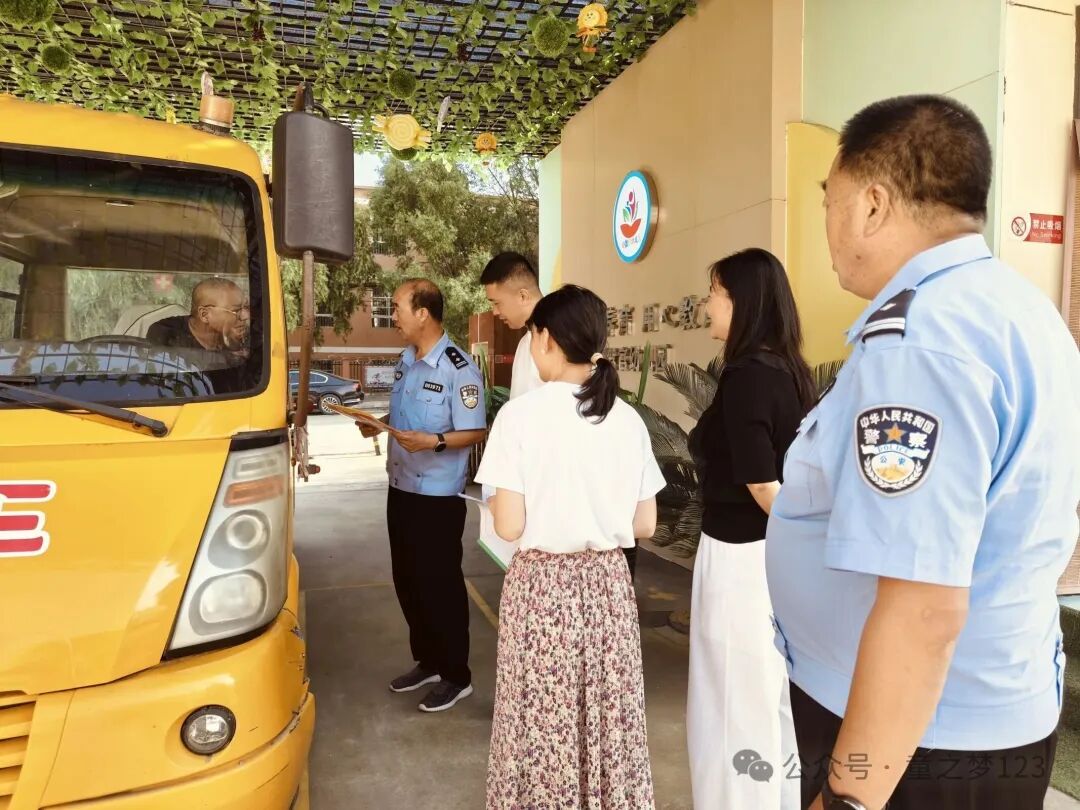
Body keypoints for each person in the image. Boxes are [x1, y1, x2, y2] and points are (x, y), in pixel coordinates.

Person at [766, 94, 1080, 810]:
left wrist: (848, 800)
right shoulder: (1019, 311)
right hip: (981, 717)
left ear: (873, 205)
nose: (827, 224)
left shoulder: (922, 339)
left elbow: (923, 611)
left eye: (829, 201)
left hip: (918, 744)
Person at [476, 284, 666, 809]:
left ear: (546, 340)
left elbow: (509, 526)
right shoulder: (626, 418)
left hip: (542, 589)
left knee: (542, 720)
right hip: (608, 587)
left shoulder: (519, 418)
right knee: (608, 716)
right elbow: (645, 523)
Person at [686, 248, 810, 810]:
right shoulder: (785, 369)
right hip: (769, 561)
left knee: (733, 703)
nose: (707, 304)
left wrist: (793, 541)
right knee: (767, 700)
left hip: (741, 561)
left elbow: (763, 483)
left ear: (744, 302)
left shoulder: (748, 376)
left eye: (715, 293)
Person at [357, 278, 487, 713]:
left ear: (423, 314)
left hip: (436, 497)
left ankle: (456, 675)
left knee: (440, 586)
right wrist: (378, 423)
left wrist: (434, 441)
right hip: (401, 487)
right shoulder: (406, 360)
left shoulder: (458, 368)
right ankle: (429, 661)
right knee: (408, 581)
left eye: (396, 308)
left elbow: (474, 430)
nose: (392, 315)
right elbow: (403, 413)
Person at [480, 251, 543, 399]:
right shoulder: (525, 341)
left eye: (497, 303)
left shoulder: (561, 340)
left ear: (523, 296)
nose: (495, 312)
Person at [147, 277, 249, 354]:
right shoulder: (166, 335)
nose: (246, 316)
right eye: (236, 310)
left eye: (246, 308)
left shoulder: (246, 336)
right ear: (205, 315)